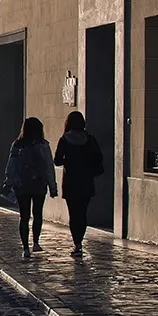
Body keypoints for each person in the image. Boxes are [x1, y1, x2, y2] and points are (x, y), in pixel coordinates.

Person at [53, 110, 104, 258]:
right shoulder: (90, 138)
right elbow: (99, 157)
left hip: (71, 181)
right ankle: (80, 241)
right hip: (86, 181)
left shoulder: (65, 139)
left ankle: (77, 243)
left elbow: (57, 160)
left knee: (73, 213)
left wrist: (69, 161)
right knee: (82, 213)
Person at [4, 117, 57, 258]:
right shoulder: (43, 145)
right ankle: (36, 243)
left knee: (24, 216)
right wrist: (52, 185)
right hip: (39, 184)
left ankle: (25, 248)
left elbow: (11, 165)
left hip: (21, 185)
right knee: (37, 214)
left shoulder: (17, 145)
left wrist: (10, 181)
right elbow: (49, 167)